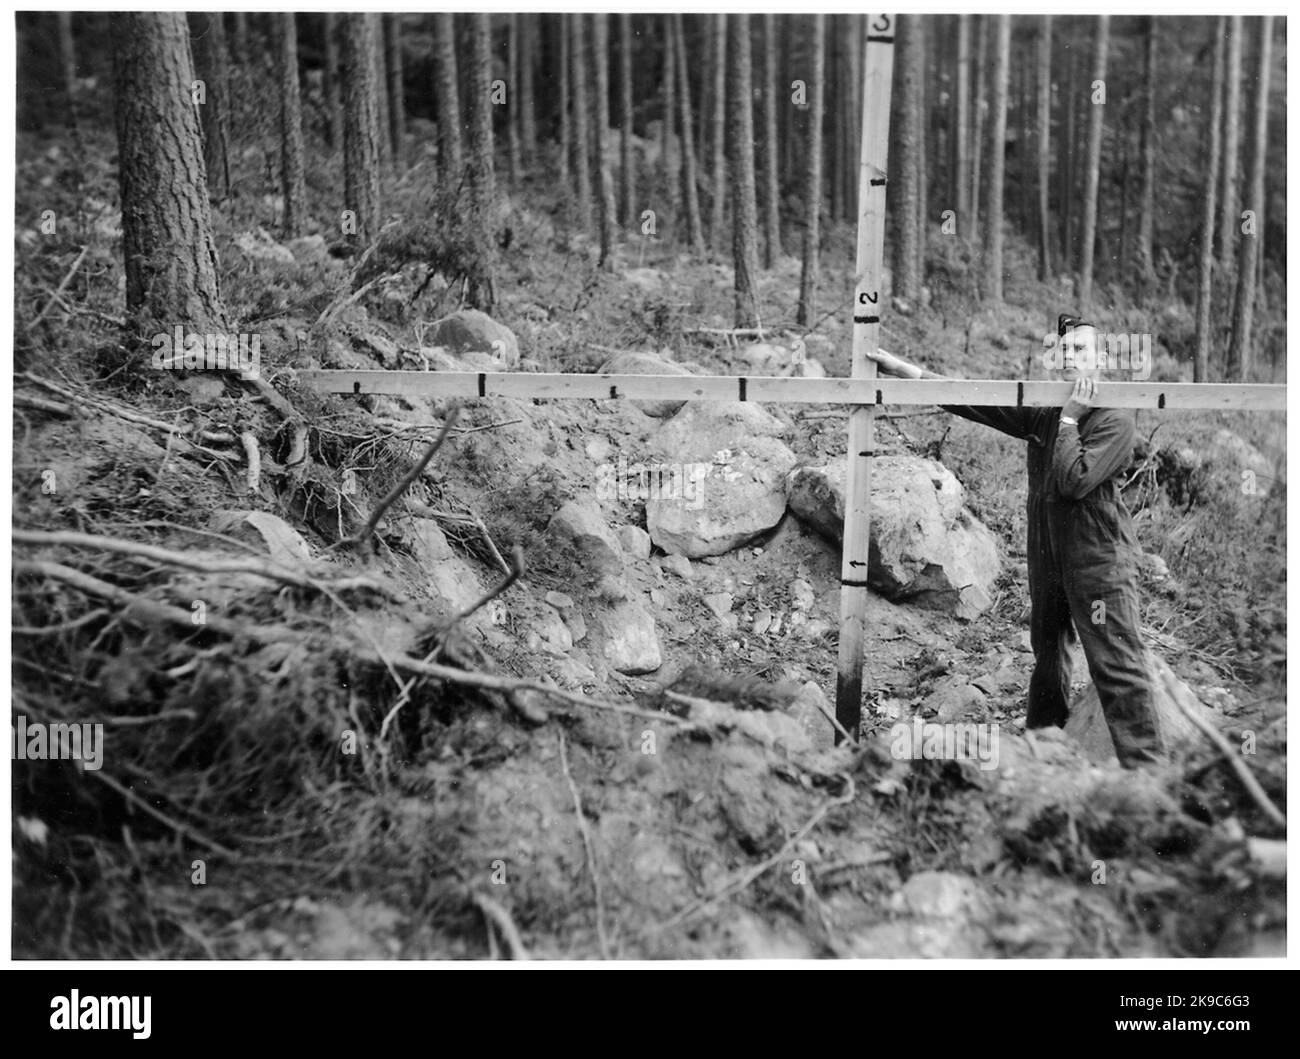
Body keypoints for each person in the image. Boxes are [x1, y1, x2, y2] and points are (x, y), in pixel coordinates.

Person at [868, 315, 1160, 767]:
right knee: (1048, 656)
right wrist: (910, 373)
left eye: (1081, 350)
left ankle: (1150, 778)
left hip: (1099, 561)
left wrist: (1068, 422)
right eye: (1064, 350)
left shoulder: (1115, 418)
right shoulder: (1046, 409)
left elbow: (1073, 481)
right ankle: (1042, 756)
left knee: (1117, 667)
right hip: (1049, 556)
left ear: (1103, 360)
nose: (1069, 357)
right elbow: (977, 400)